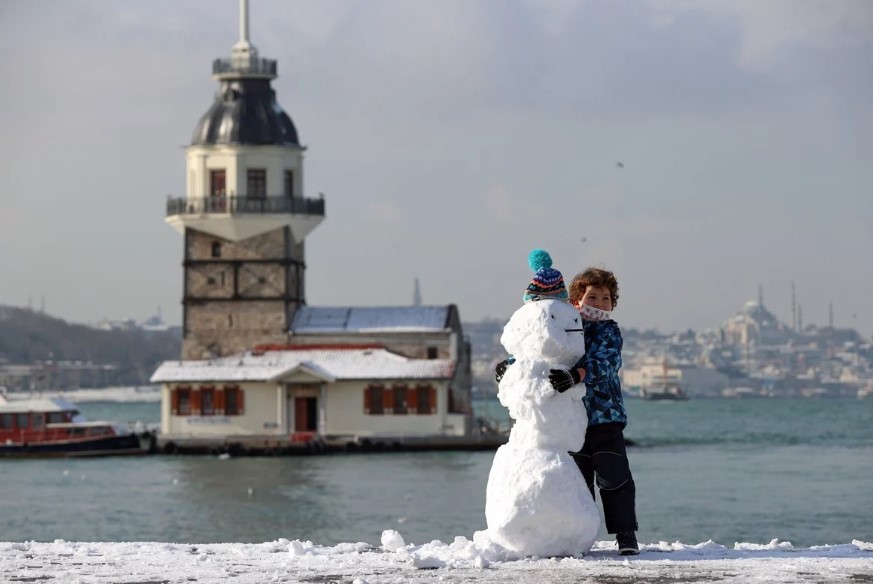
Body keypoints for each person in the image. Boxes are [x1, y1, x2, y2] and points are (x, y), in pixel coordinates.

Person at [549, 267, 639, 555]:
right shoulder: (561, 328)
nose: (600, 303)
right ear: (576, 299)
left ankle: (625, 534)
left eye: (606, 297)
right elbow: (539, 350)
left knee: (615, 476)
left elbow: (606, 362)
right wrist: (511, 365)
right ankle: (581, 536)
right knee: (578, 480)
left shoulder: (609, 331)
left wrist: (577, 375)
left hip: (605, 417)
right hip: (572, 419)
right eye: (593, 296)